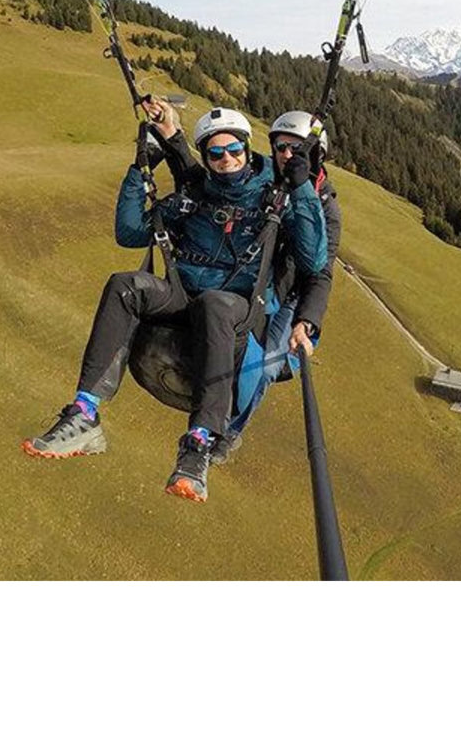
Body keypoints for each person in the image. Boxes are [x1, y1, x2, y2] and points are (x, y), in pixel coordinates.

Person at [22, 106, 328, 503]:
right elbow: (130, 232)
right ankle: (85, 412)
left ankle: (199, 443)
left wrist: (302, 189)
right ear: (205, 158)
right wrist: (140, 170)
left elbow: (315, 261)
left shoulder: (275, 198)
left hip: (237, 309)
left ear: (247, 148)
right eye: (215, 154)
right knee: (124, 286)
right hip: (184, 297)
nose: (226, 160)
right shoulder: (194, 196)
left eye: (234, 150)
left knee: (215, 304)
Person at [154, 105, 343, 465]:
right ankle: (209, 408)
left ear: (316, 154)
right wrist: (172, 138)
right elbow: (204, 184)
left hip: (292, 295)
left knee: (268, 365)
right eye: (280, 147)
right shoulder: (265, 183)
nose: (286, 155)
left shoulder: (325, 207)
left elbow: (319, 272)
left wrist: (307, 320)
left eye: (296, 148)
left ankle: (229, 431)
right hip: (260, 288)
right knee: (236, 341)